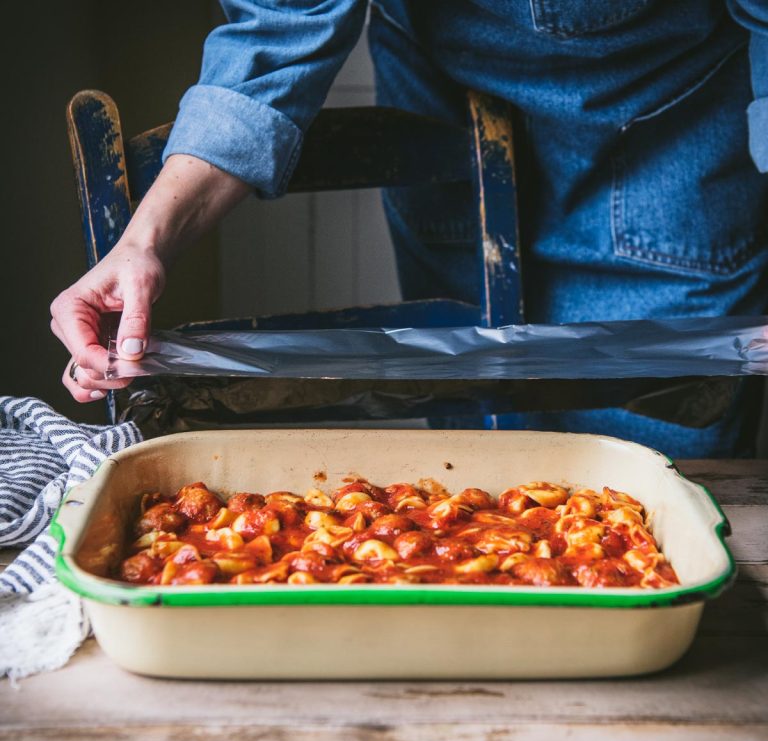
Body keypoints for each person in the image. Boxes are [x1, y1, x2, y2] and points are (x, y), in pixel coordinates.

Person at [50, 0, 768, 457]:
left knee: (667, 484)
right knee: (484, 484)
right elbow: (273, 38)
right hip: (445, 114)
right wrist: (142, 244)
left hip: (672, 146)